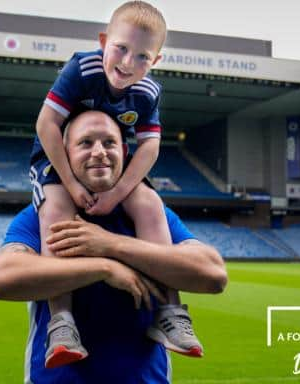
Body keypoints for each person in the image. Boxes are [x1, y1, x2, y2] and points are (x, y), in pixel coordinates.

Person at [0, 111, 227, 383]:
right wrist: (104, 268)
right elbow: (1, 279)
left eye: (109, 143)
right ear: (64, 155)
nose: (99, 152)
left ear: (125, 153)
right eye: (86, 143)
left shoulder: (151, 214)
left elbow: (214, 275)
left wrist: (110, 244)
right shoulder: (42, 215)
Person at [30, 1, 201, 368]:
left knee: (150, 204)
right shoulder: (82, 67)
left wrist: (117, 193)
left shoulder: (148, 92)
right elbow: (46, 125)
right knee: (57, 206)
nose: (127, 63)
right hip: (59, 156)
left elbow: (150, 146)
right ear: (104, 40)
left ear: (155, 61)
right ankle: (61, 320)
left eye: (142, 56)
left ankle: (169, 311)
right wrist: (74, 185)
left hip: (110, 161)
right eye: (121, 48)